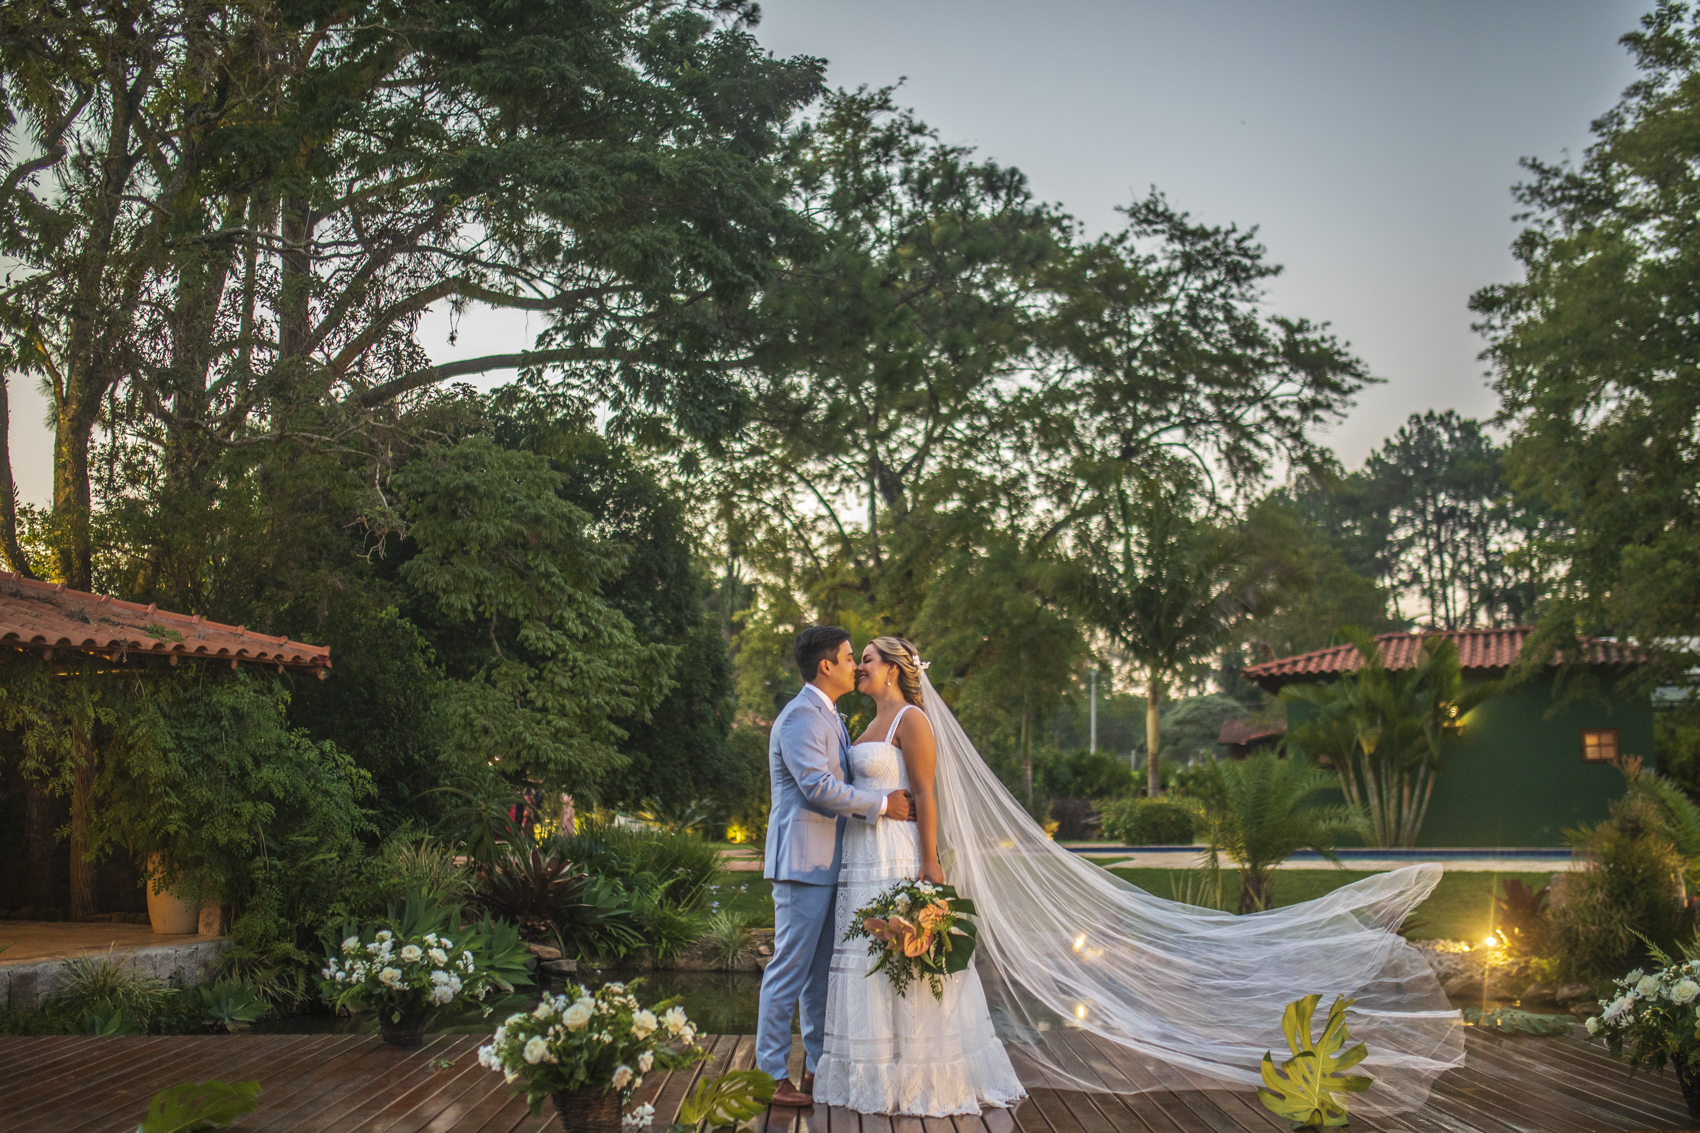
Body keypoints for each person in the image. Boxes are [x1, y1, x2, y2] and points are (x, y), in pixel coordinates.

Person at [812, 635, 1026, 1116]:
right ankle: (874, 1073)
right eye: (858, 660)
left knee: (905, 956)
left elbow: (926, 795)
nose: (859, 667)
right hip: (861, 855)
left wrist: (929, 861)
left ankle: (922, 1076)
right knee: (868, 955)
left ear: (892, 668)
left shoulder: (913, 720)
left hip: (897, 856)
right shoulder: (867, 724)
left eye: (866, 660)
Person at [756, 626, 916, 1110]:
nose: (856, 665)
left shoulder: (829, 715)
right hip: (803, 862)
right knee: (789, 969)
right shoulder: (802, 717)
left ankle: (819, 1066)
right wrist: (883, 805)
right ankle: (768, 1074)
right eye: (850, 657)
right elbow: (818, 788)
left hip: (829, 863)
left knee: (820, 973)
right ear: (826, 665)